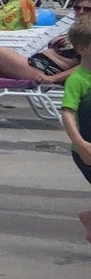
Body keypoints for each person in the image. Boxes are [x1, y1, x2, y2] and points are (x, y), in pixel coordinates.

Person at [51, 20, 91, 242]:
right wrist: (81, 143)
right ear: (83, 48)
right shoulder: (77, 81)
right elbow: (67, 113)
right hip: (85, 148)